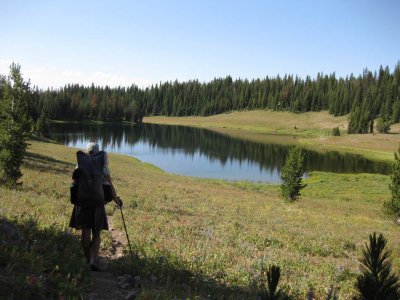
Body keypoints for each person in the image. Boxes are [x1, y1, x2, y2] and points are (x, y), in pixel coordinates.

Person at [69, 142, 123, 271]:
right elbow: (110, 185)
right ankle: (93, 259)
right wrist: (116, 199)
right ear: (99, 152)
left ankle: (87, 258)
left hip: (83, 202)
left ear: (87, 152)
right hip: (97, 203)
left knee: (86, 230)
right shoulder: (102, 165)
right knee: (97, 232)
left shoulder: (80, 164)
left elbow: (74, 184)